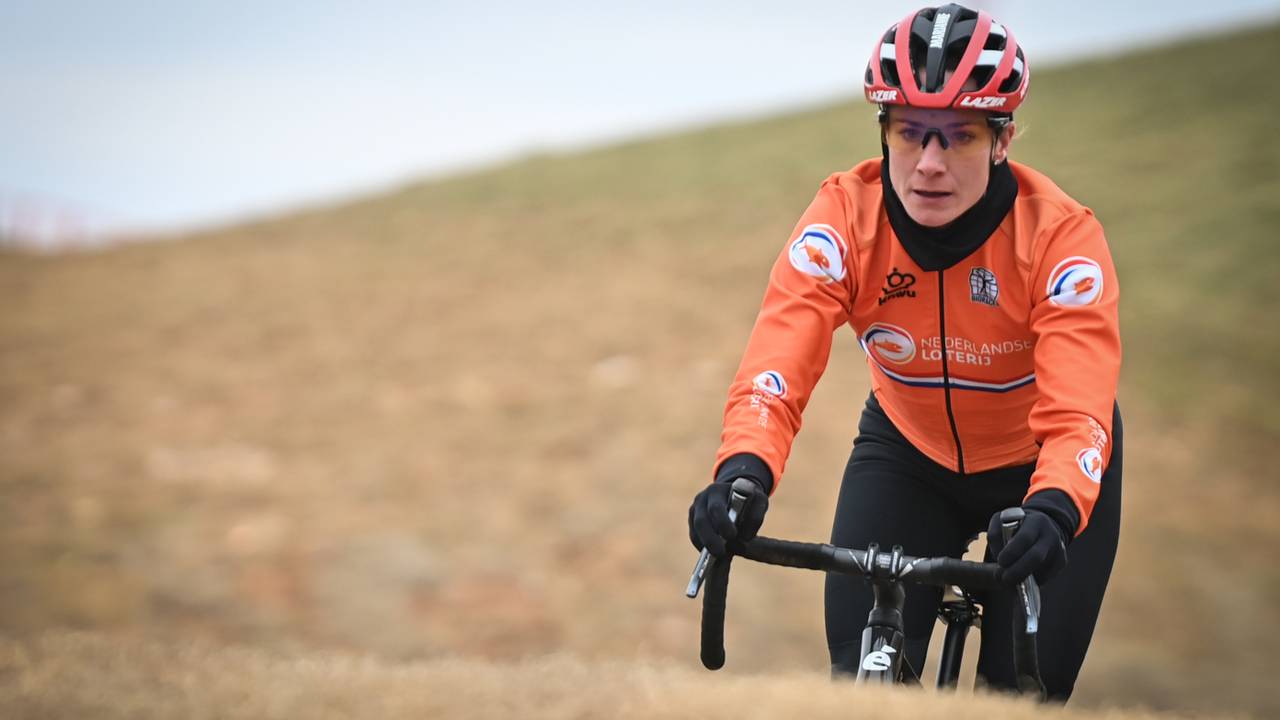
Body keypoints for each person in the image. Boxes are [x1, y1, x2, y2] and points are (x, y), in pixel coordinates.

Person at [687, 3, 1122, 702]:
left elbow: (1079, 407)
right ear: (883, 130)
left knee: (1021, 693)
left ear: (1002, 139)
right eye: (909, 132)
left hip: (1040, 473)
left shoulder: (1061, 239)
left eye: (960, 137)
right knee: (860, 691)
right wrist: (742, 474)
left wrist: (1059, 506)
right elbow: (778, 363)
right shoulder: (843, 217)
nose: (928, 164)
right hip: (907, 453)